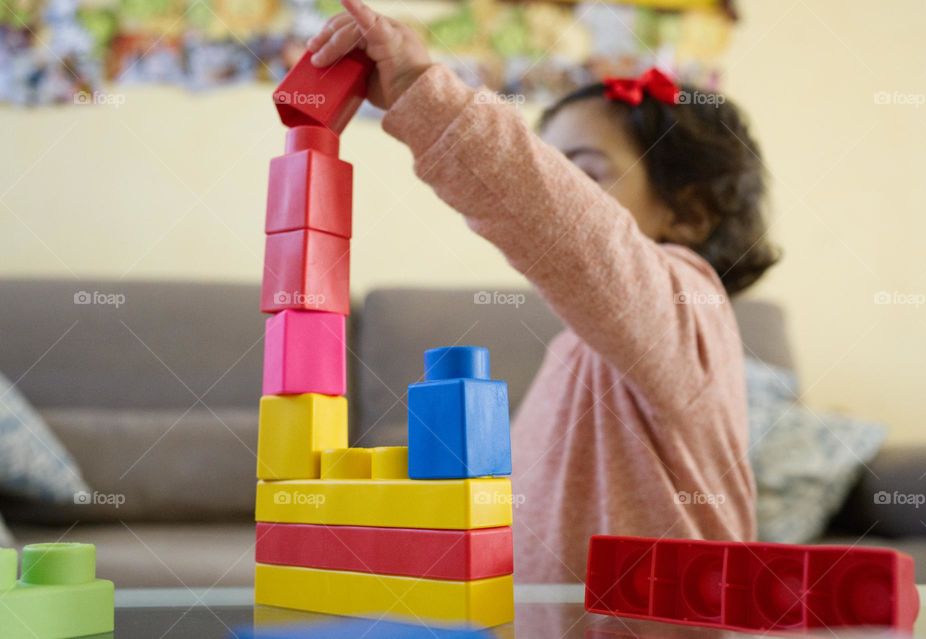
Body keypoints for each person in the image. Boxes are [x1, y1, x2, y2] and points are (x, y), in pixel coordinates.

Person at [308, 0, 779, 582]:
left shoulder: (688, 308)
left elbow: (570, 225)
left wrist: (416, 88)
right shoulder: (579, 348)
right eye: (553, 166)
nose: (560, 187)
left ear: (689, 214)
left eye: (581, 172)